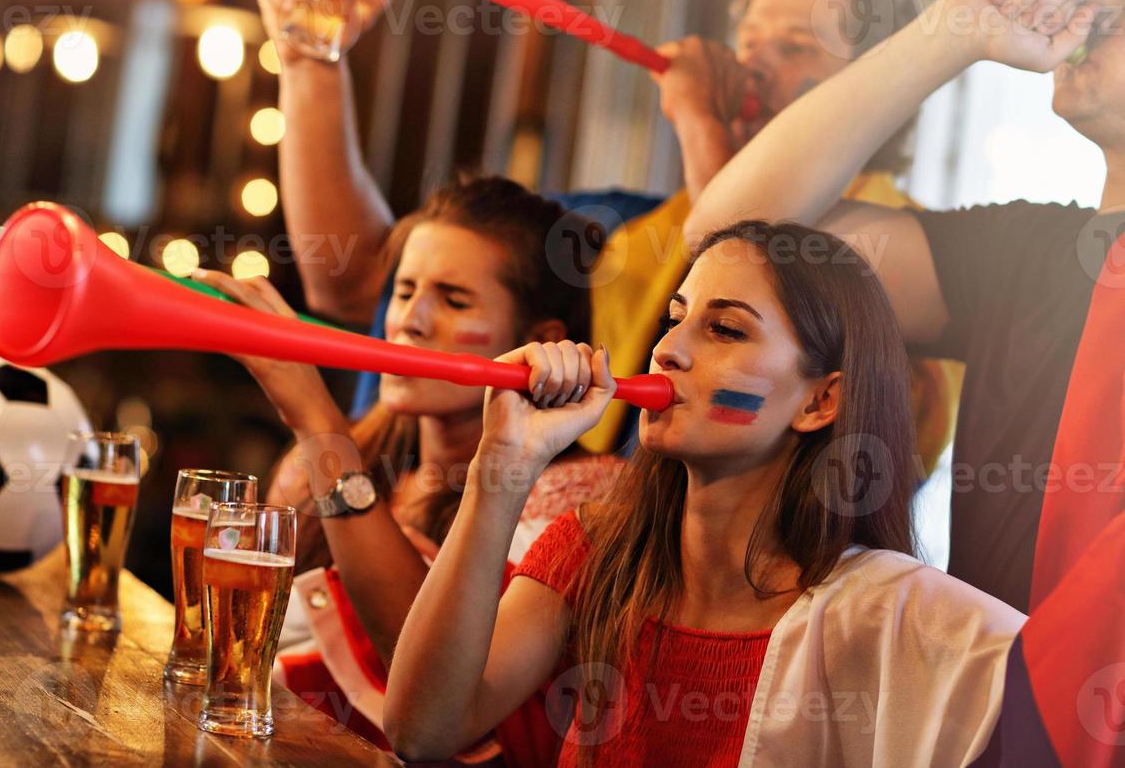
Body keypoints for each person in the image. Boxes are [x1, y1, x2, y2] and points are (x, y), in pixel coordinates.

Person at [258, 0, 960, 464]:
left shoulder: (927, 259)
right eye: (747, 42)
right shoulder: (633, 225)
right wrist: (309, 62)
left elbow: (759, 260)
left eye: (796, 48)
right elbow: (354, 282)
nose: (751, 67)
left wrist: (697, 122)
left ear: (879, 91)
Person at [383, 221, 1024, 767]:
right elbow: (422, 730)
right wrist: (503, 468)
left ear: (820, 401)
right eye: (677, 318)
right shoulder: (592, 550)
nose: (666, 351)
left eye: (725, 331)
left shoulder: (884, 611)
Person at [683, 0, 1113, 614]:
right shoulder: (1027, 253)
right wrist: (956, 29)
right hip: (995, 698)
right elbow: (735, 234)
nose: (1093, 14)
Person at [192, 176, 623, 765]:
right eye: (404, 291)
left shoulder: (583, 496)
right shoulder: (317, 467)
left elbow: (434, 696)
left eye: (453, 300)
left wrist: (319, 424)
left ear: (540, 342)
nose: (410, 322)